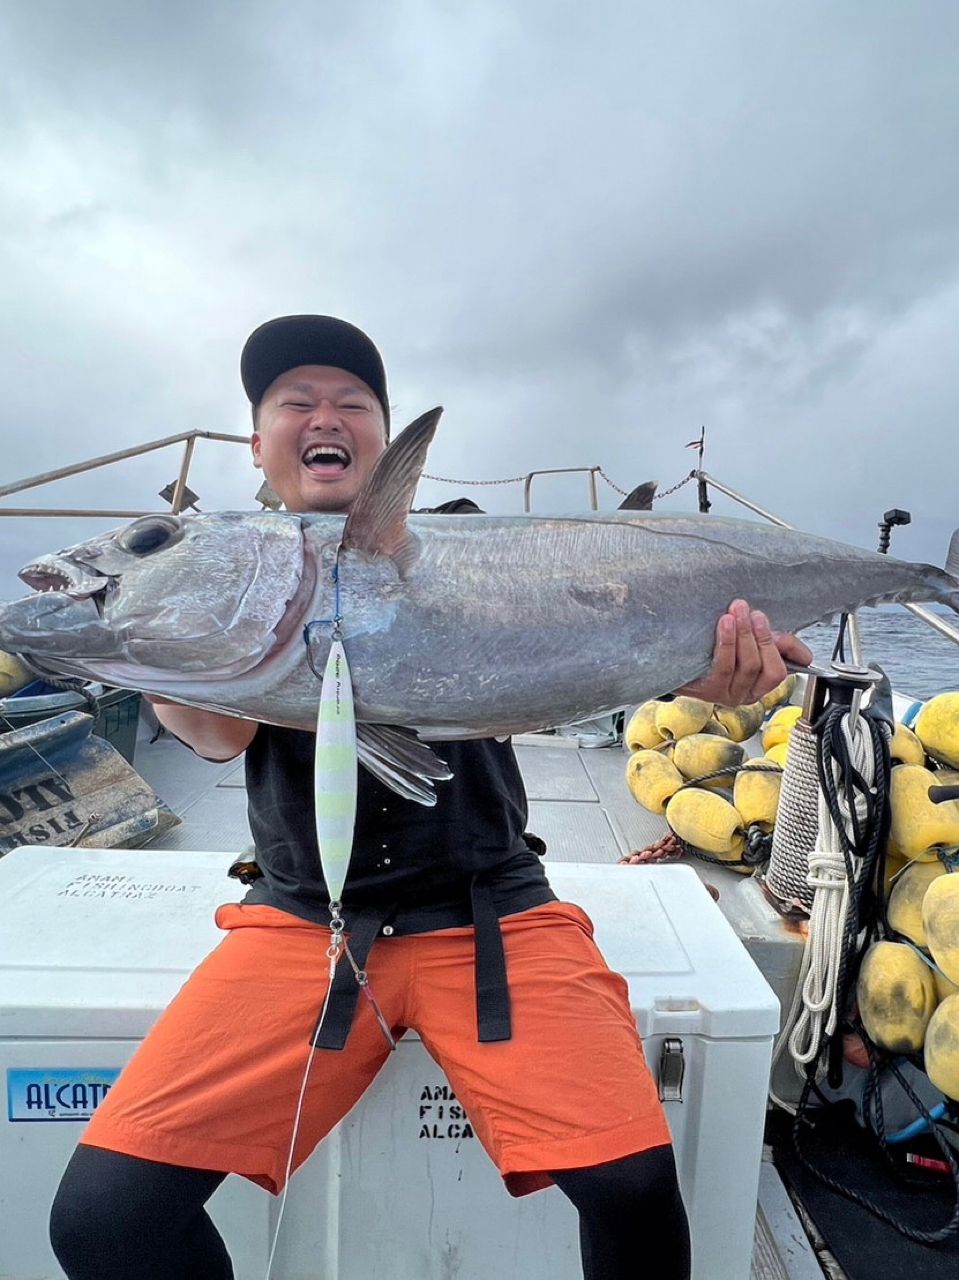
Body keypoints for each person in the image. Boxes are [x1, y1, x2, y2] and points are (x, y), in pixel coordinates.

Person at [49, 315, 813, 1280]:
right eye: (296, 403)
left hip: (493, 909)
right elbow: (217, 734)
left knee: (630, 1190)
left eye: (351, 403)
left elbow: (576, 626)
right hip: (303, 925)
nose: (324, 417)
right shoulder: (243, 574)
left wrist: (705, 668)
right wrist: (161, 646)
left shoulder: (451, 544)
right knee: (103, 1220)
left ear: (385, 434)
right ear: (258, 444)